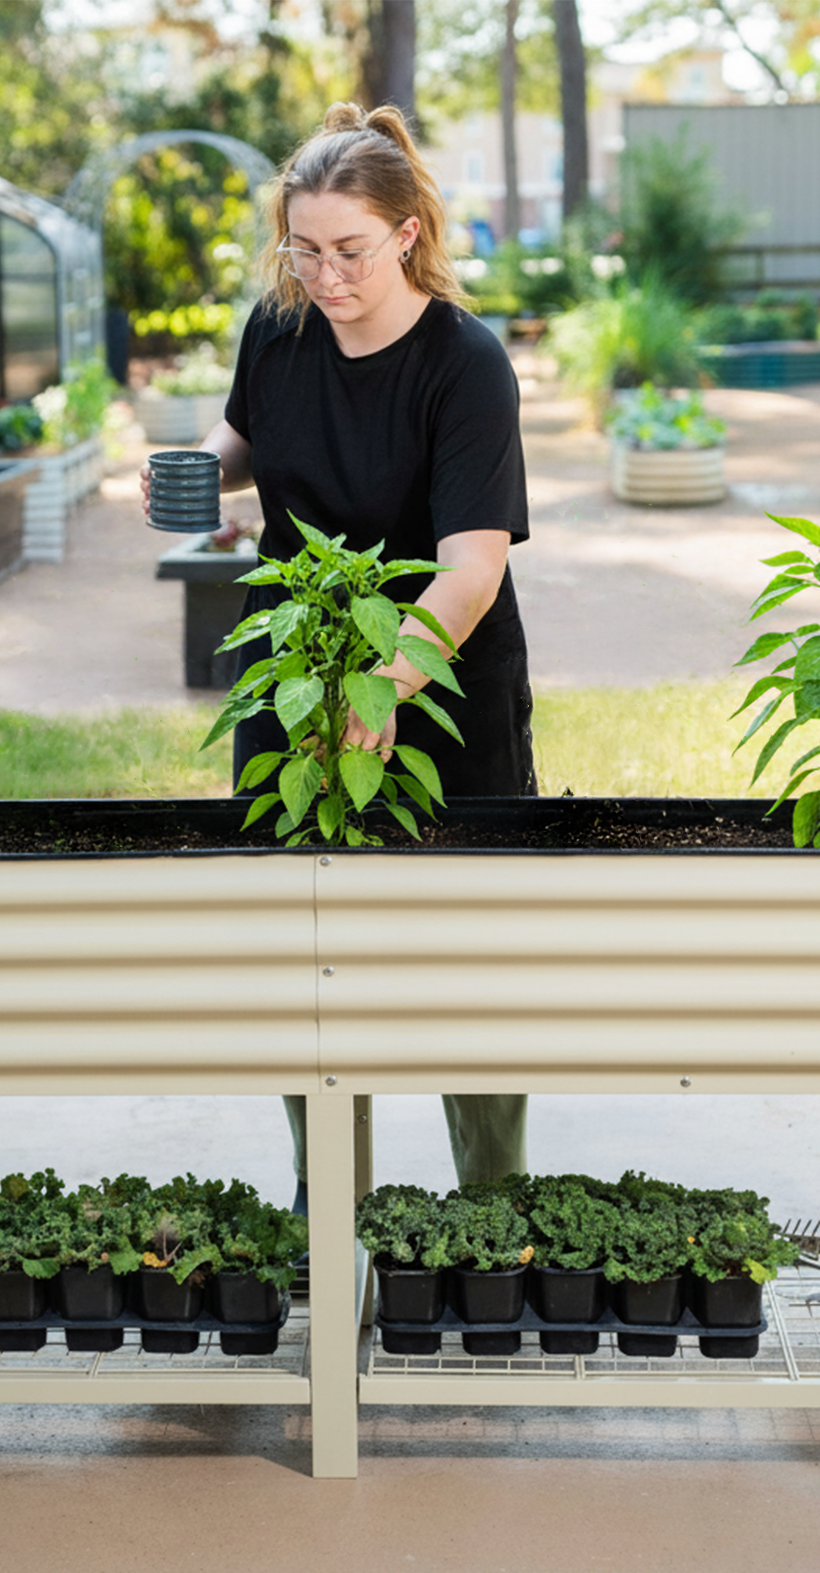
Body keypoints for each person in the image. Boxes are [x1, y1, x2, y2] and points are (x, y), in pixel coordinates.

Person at [142, 101, 534, 1208]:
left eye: (349, 250)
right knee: (302, 951)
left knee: (465, 960)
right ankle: (329, 1209)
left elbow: (469, 570)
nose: (325, 275)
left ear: (406, 232)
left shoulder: (465, 365)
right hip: (297, 669)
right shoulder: (280, 326)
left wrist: (388, 683)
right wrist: (194, 476)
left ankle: (490, 1216)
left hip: (443, 681)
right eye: (302, 250)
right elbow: (244, 438)